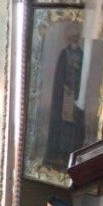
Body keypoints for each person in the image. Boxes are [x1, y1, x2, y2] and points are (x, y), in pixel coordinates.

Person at [44, 30, 85, 169]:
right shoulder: (64, 54)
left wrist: (77, 89)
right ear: (68, 38)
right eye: (72, 36)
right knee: (63, 125)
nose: (75, 38)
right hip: (64, 96)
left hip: (76, 97)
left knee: (73, 126)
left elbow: (82, 74)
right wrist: (64, 87)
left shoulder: (81, 54)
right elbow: (60, 75)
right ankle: (59, 155)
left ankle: (69, 155)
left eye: (76, 36)